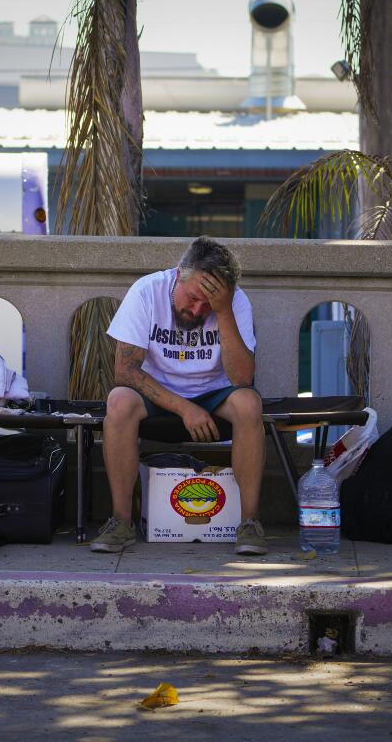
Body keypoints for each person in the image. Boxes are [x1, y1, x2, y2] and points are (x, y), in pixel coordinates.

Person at [89, 236, 267, 556]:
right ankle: (121, 521)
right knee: (118, 400)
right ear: (179, 274)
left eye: (208, 304)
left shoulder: (234, 302)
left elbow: (242, 379)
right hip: (157, 393)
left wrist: (223, 311)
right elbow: (125, 372)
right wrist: (184, 408)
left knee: (249, 403)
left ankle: (250, 523)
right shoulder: (147, 291)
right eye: (194, 297)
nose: (198, 309)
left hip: (216, 393)